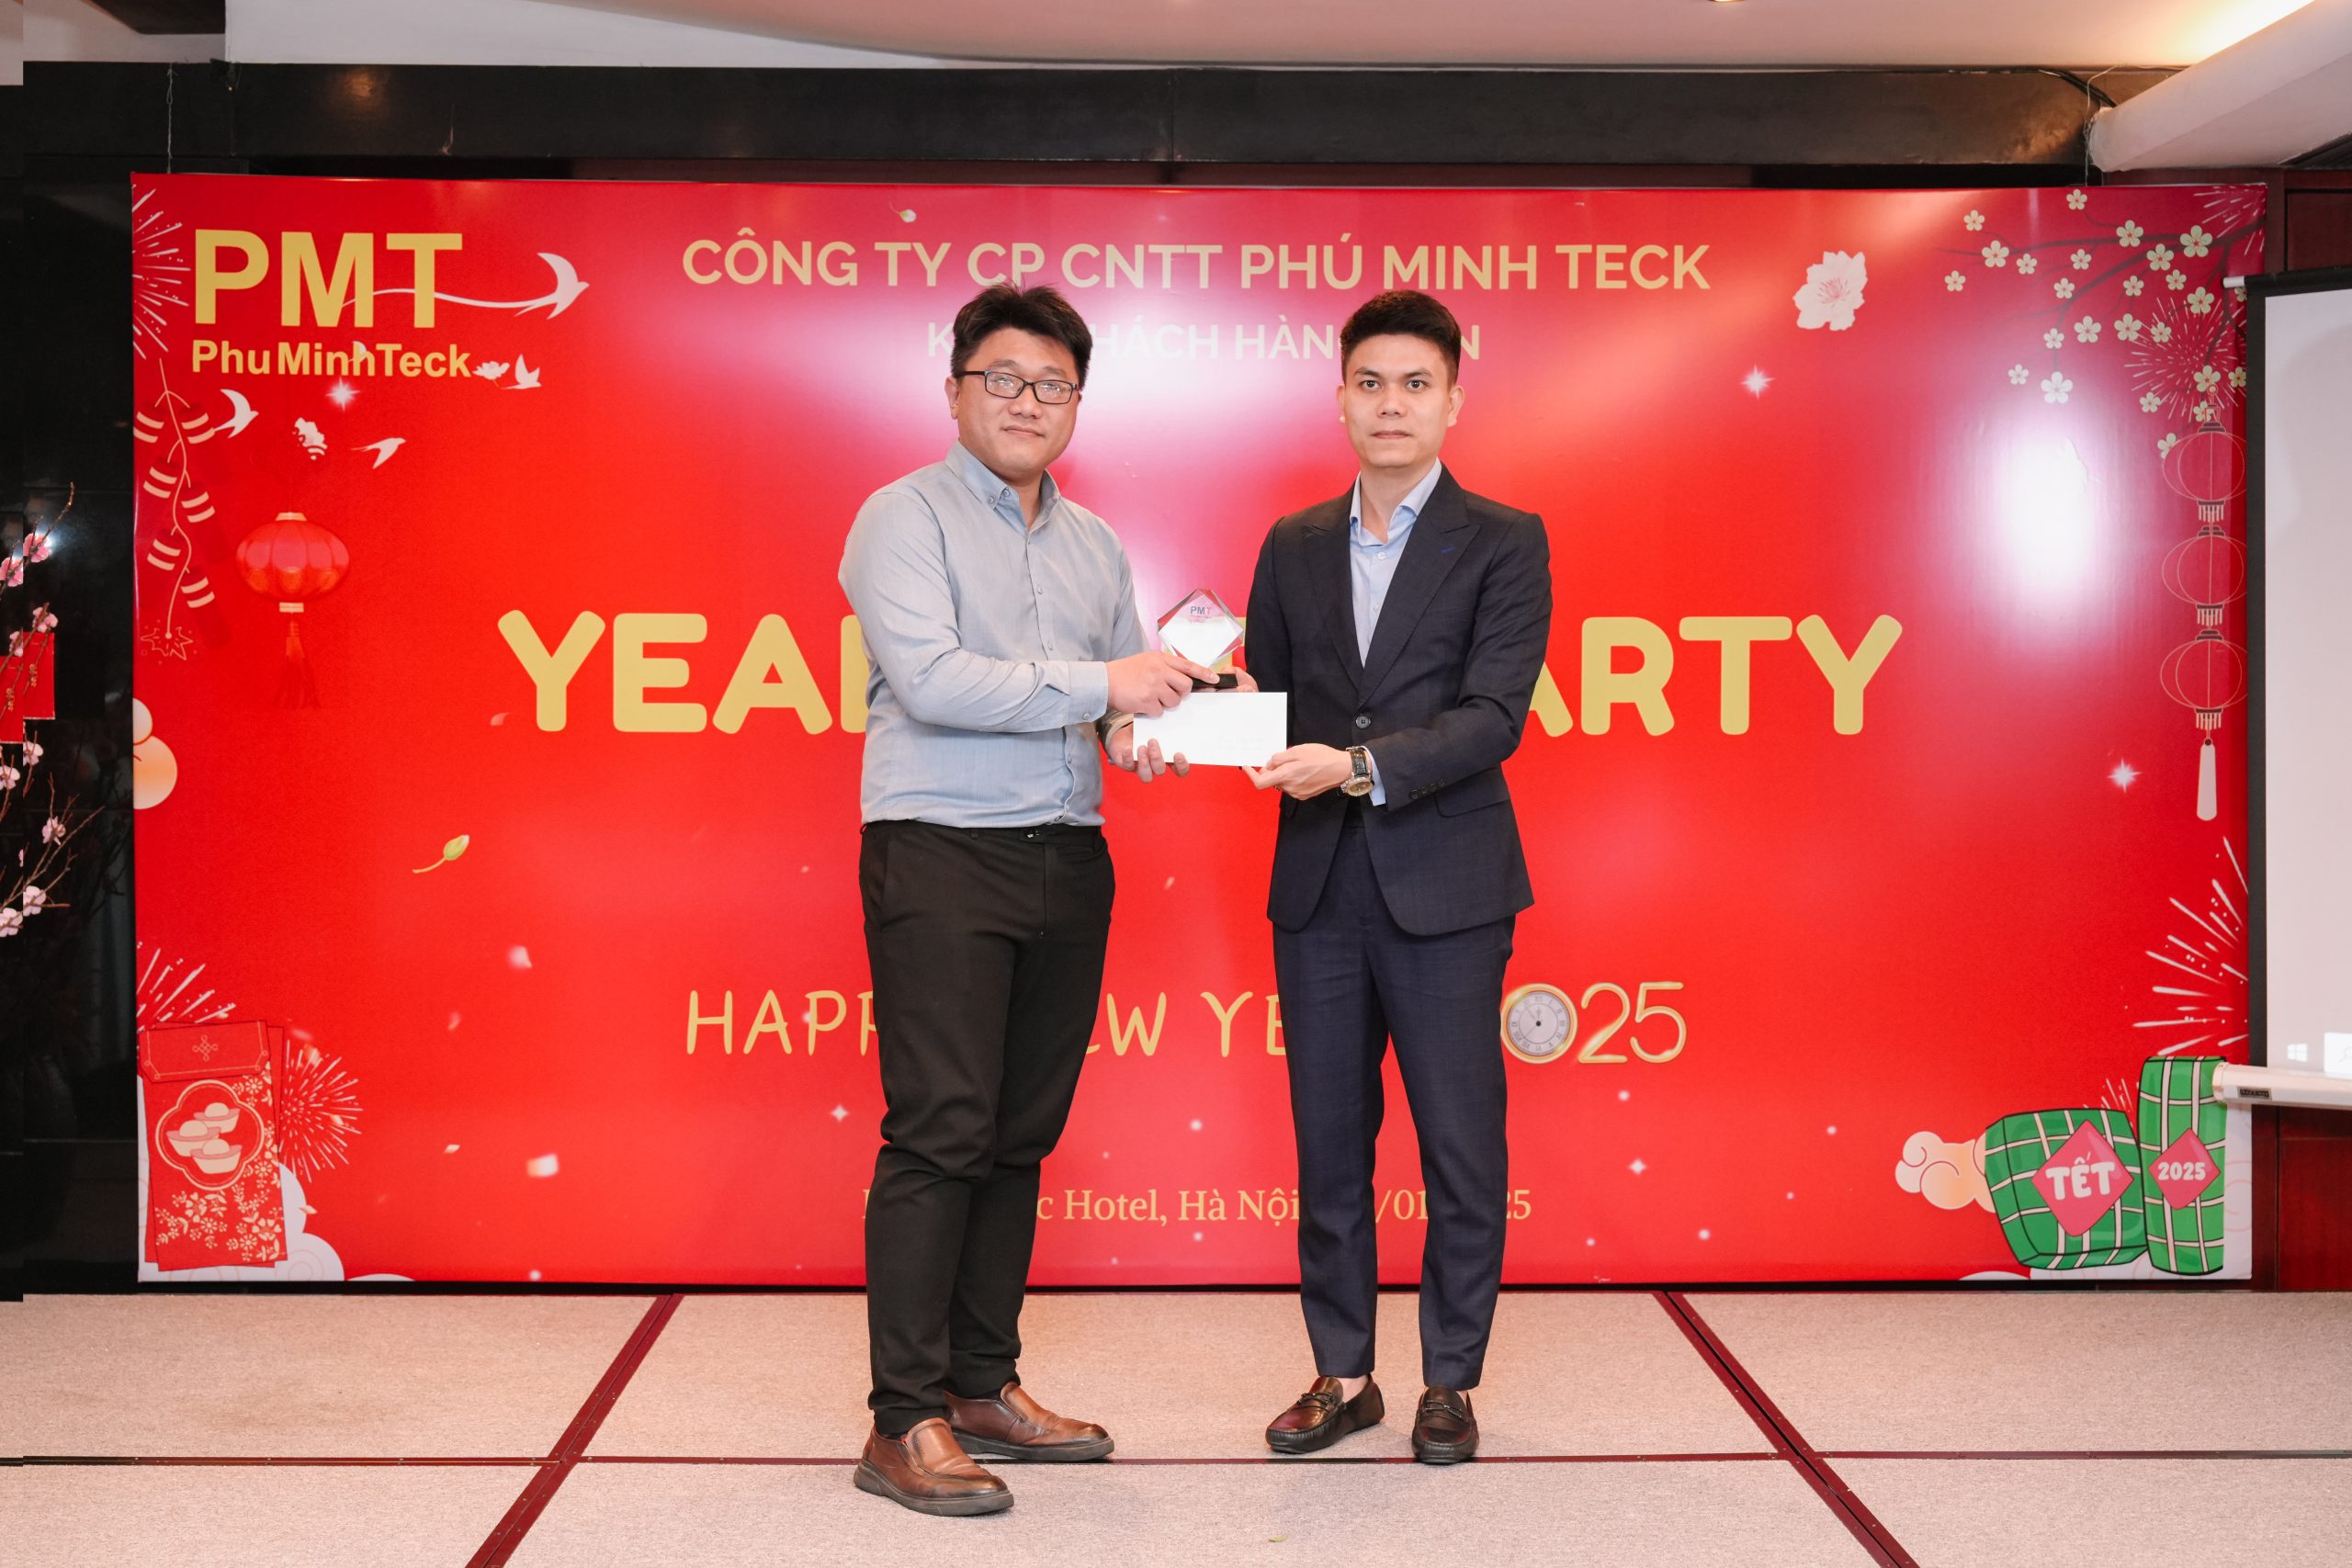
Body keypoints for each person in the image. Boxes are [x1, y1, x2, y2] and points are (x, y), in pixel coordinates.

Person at [839, 283, 1213, 1516]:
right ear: (955, 391)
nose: (1026, 402)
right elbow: (935, 681)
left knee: (1017, 1132)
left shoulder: (1096, 543)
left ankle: (982, 1382)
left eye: (1051, 384)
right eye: (1001, 378)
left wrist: (1163, 728)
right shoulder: (900, 518)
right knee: (941, 1127)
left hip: (1066, 854)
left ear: (1075, 404)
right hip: (942, 847)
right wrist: (1107, 685)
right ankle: (902, 1418)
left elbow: (1111, 711)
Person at [1242, 289, 1553, 1464]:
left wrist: (1361, 766)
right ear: (1340, 400)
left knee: (1459, 1145)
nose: (1391, 404)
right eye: (1370, 383)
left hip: (1449, 887)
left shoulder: (1505, 539)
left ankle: (1450, 1380)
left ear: (1452, 401)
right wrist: (1206, 717)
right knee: (1330, 1145)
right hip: (1319, 887)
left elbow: (1493, 715)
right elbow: (1272, 701)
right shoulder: (1292, 543)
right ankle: (1343, 1373)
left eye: (1415, 384)